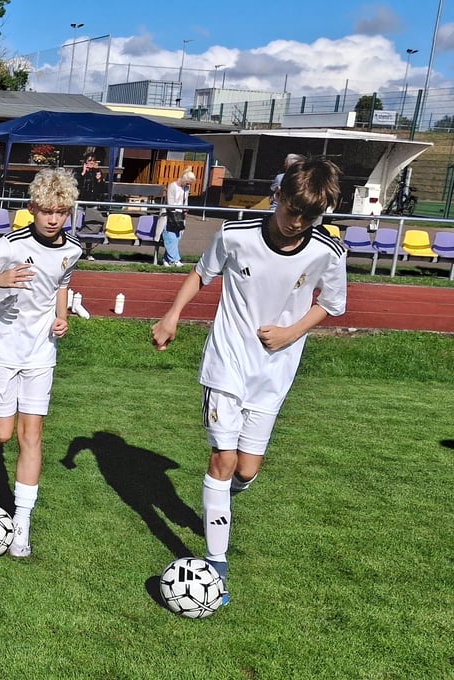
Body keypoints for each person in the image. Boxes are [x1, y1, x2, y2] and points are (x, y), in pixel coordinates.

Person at [150, 157, 346, 605]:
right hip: (228, 362)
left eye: (310, 215)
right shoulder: (235, 235)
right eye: (293, 209)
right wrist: (172, 316)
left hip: (275, 371)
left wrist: (290, 333)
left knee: (246, 469)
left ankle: (220, 503)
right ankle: (216, 568)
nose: (298, 222)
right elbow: (202, 272)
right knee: (222, 458)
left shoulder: (326, 252)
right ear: (278, 196)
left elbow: (332, 304)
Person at [0, 167, 84, 558]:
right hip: (1, 350)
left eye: (60, 212)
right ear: (32, 208)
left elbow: (61, 286)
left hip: (41, 353)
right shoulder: (7, 246)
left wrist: (61, 317)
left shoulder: (73, 249)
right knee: (2, 434)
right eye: (46, 210)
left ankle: (21, 524)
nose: (53, 219)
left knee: (33, 436)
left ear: (69, 212)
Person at [161, 170, 196, 267]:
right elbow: (170, 202)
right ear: (184, 179)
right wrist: (175, 212)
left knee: (176, 238)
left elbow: (185, 201)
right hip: (170, 215)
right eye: (188, 182)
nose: (189, 184)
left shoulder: (186, 188)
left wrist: (185, 209)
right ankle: (175, 260)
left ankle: (166, 259)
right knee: (170, 237)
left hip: (180, 215)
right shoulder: (172, 186)